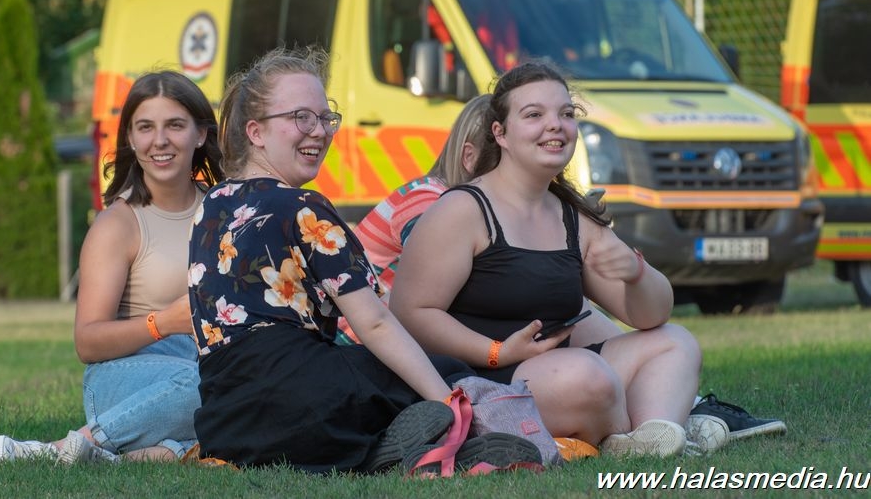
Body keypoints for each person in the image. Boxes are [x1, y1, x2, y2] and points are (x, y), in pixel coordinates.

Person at [354, 91, 788, 446]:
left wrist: (637, 274)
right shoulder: (451, 205)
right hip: (466, 368)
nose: (555, 125)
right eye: (534, 115)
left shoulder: (570, 214)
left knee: (675, 342)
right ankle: (661, 423)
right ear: (499, 136)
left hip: (553, 368)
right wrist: (497, 351)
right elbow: (411, 312)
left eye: (566, 114)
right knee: (587, 374)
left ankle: (654, 435)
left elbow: (651, 315)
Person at [187, 46, 539, 473]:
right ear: (256, 132)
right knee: (442, 370)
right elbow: (374, 323)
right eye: (301, 117)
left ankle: (382, 450)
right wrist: (448, 400)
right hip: (303, 400)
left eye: (325, 118)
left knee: (362, 380)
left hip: (227, 422)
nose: (319, 132)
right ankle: (452, 436)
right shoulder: (304, 207)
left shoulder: (211, 204)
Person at [0, 71, 224, 464]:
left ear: (200, 134)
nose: (159, 140)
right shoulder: (118, 224)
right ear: (130, 138)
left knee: (248, 381)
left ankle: (140, 456)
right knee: (209, 384)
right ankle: (65, 447)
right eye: (145, 127)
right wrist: (164, 322)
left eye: (175, 125)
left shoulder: (223, 209)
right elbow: (88, 342)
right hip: (126, 378)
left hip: (209, 363)